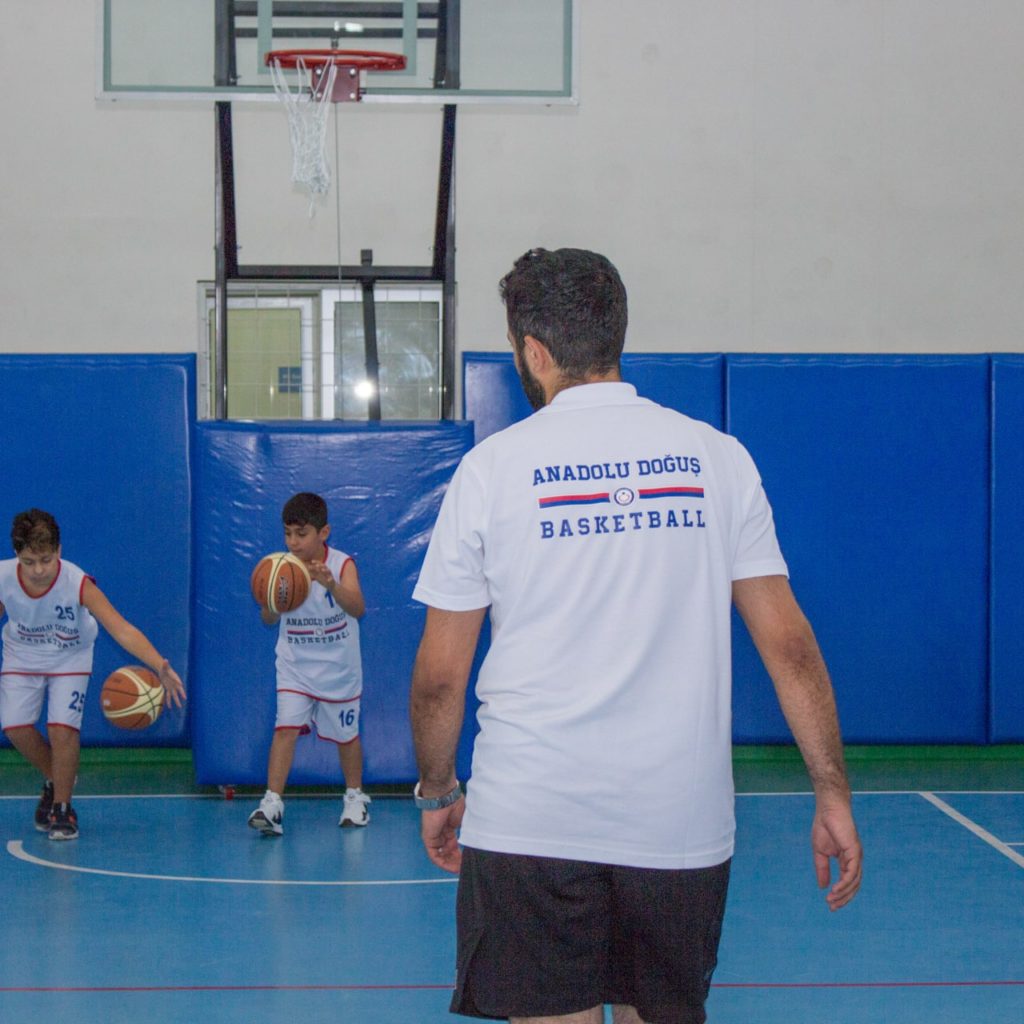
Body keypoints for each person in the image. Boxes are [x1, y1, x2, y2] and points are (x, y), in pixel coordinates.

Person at [409, 248, 863, 1024]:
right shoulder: (719, 460)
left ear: (534, 352)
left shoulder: (490, 471)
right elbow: (789, 648)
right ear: (616, 334)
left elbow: (440, 677)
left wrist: (439, 789)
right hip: (678, 824)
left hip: (531, 820)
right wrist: (832, 791)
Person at [0, 508, 186, 841]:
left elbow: (121, 629)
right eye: (29, 562)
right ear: (16, 554)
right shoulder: (4, 578)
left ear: (58, 550)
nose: (38, 570)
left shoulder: (77, 583)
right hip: (22, 654)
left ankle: (62, 808)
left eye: (45, 560)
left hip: (70, 655)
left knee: (62, 727)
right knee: (14, 726)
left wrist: (159, 665)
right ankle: (58, 777)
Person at [248, 492, 370, 835]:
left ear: (323, 533)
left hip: (338, 669)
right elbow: (268, 619)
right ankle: (272, 804)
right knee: (285, 728)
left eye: (301, 534)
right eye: (288, 534)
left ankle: (355, 797)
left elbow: (358, 608)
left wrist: (331, 585)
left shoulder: (342, 564)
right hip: (295, 666)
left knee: (347, 737)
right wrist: (272, 601)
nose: (293, 542)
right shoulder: (280, 567)